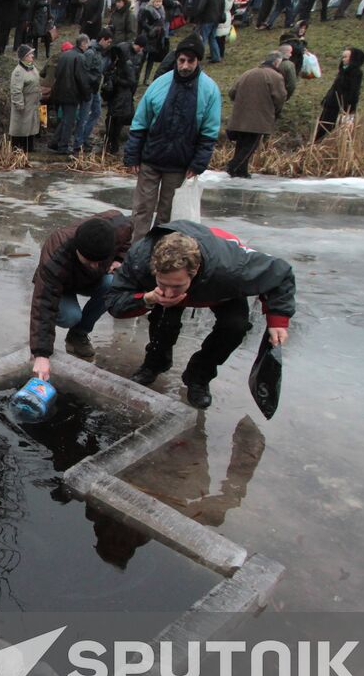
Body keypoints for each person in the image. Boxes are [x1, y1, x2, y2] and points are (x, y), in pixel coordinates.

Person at [109, 221, 295, 409]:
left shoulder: (233, 267)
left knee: (235, 326)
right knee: (163, 320)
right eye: (163, 283)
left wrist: (278, 319)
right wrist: (148, 298)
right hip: (184, 282)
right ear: (154, 270)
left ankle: (198, 377)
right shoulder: (140, 259)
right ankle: (155, 363)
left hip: (218, 284)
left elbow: (281, 274)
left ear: (194, 269)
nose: (169, 293)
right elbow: (115, 302)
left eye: (176, 286)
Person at [123, 34, 221, 232]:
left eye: (190, 61)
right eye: (181, 60)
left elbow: (209, 132)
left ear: (198, 61)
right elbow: (140, 122)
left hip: (179, 164)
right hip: (150, 159)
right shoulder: (160, 84)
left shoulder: (209, 90)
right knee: (142, 209)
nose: (184, 66)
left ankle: (159, 252)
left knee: (167, 214)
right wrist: (132, 155)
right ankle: (134, 252)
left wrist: (198, 163)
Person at [28, 211, 135, 379]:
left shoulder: (119, 227)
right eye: (89, 260)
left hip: (92, 280)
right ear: (77, 249)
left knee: (113, 284)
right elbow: (44, 302)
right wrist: (41, 354)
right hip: (62, 284)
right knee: (71, 316)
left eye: (99, 261)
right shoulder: (57, 249)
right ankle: (73, 321)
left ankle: (78, 335)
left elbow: (126, 243)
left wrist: (119, 259)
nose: (94, 265)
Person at [224, 52, 287, 178]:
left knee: (241, 145)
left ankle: (241, 171)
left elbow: (232, 93)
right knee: (250, 146)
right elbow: (280, 98)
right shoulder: (276, 76)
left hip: (239, 117)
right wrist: (275, 111)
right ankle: (234, 166)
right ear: (276, 63)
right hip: (259, 119)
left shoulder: (248, 73)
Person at [45, 35, 91, 155]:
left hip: (60, 92)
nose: (88, 46)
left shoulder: (64, 55)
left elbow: (57, 74)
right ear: (83, 44)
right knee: (69, 121)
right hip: (72, 93)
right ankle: (63, 146)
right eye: (87, 44)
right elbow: (81, 78)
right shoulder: (80, 57)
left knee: (65, 118)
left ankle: (55, 142)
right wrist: (86, 95)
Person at [315, 47, 364, 141]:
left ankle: (320, 141)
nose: (343, 59)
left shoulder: (355, 73)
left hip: (339, 105)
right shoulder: (343, 70)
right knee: (323, 124)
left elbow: (353, 92)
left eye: (346, 57)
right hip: (331, 103)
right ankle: (316, 142)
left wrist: (347, 108)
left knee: (329, 126)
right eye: (343, 57)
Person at [103, 38, 141, 156]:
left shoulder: (126, 66)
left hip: (122, 98)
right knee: (110, 120)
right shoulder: (114, 64)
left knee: (116, 122)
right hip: (114, 97)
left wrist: (117, 80)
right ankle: (109, 143)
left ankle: (113, 145)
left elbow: (132, 82)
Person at [75, 31, 109, 152]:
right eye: (108, 42)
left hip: (95, 89)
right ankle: (78, 142)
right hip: (89, 90)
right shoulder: (90, 52)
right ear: (103, 40)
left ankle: (84, 138)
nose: (109, 44)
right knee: (83, 116)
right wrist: (88, 87)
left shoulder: (99, 51)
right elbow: (84, 72)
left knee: (96, 112)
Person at [8, 44, 41, 151]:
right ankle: (17, 152)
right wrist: (19, 105)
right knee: (20, 129)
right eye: (30, 54)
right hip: (24, 106)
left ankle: (29, 150)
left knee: (30, 128)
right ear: (24, 57)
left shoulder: (32, 67)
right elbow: (16, 90)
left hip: (32, 105)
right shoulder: (18, 71)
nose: (32, 56)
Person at [138, 0, 169, 84]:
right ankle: (138, 75)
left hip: (157, 38)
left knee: (151, 59)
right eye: (156, 1)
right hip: (147, 36)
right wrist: (151, 29)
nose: (158, 3)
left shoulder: (162, 11)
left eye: (159, 1)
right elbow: (143, 22)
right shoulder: (147, 10)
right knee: (142, 57)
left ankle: (146, 78)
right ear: (152, 1)